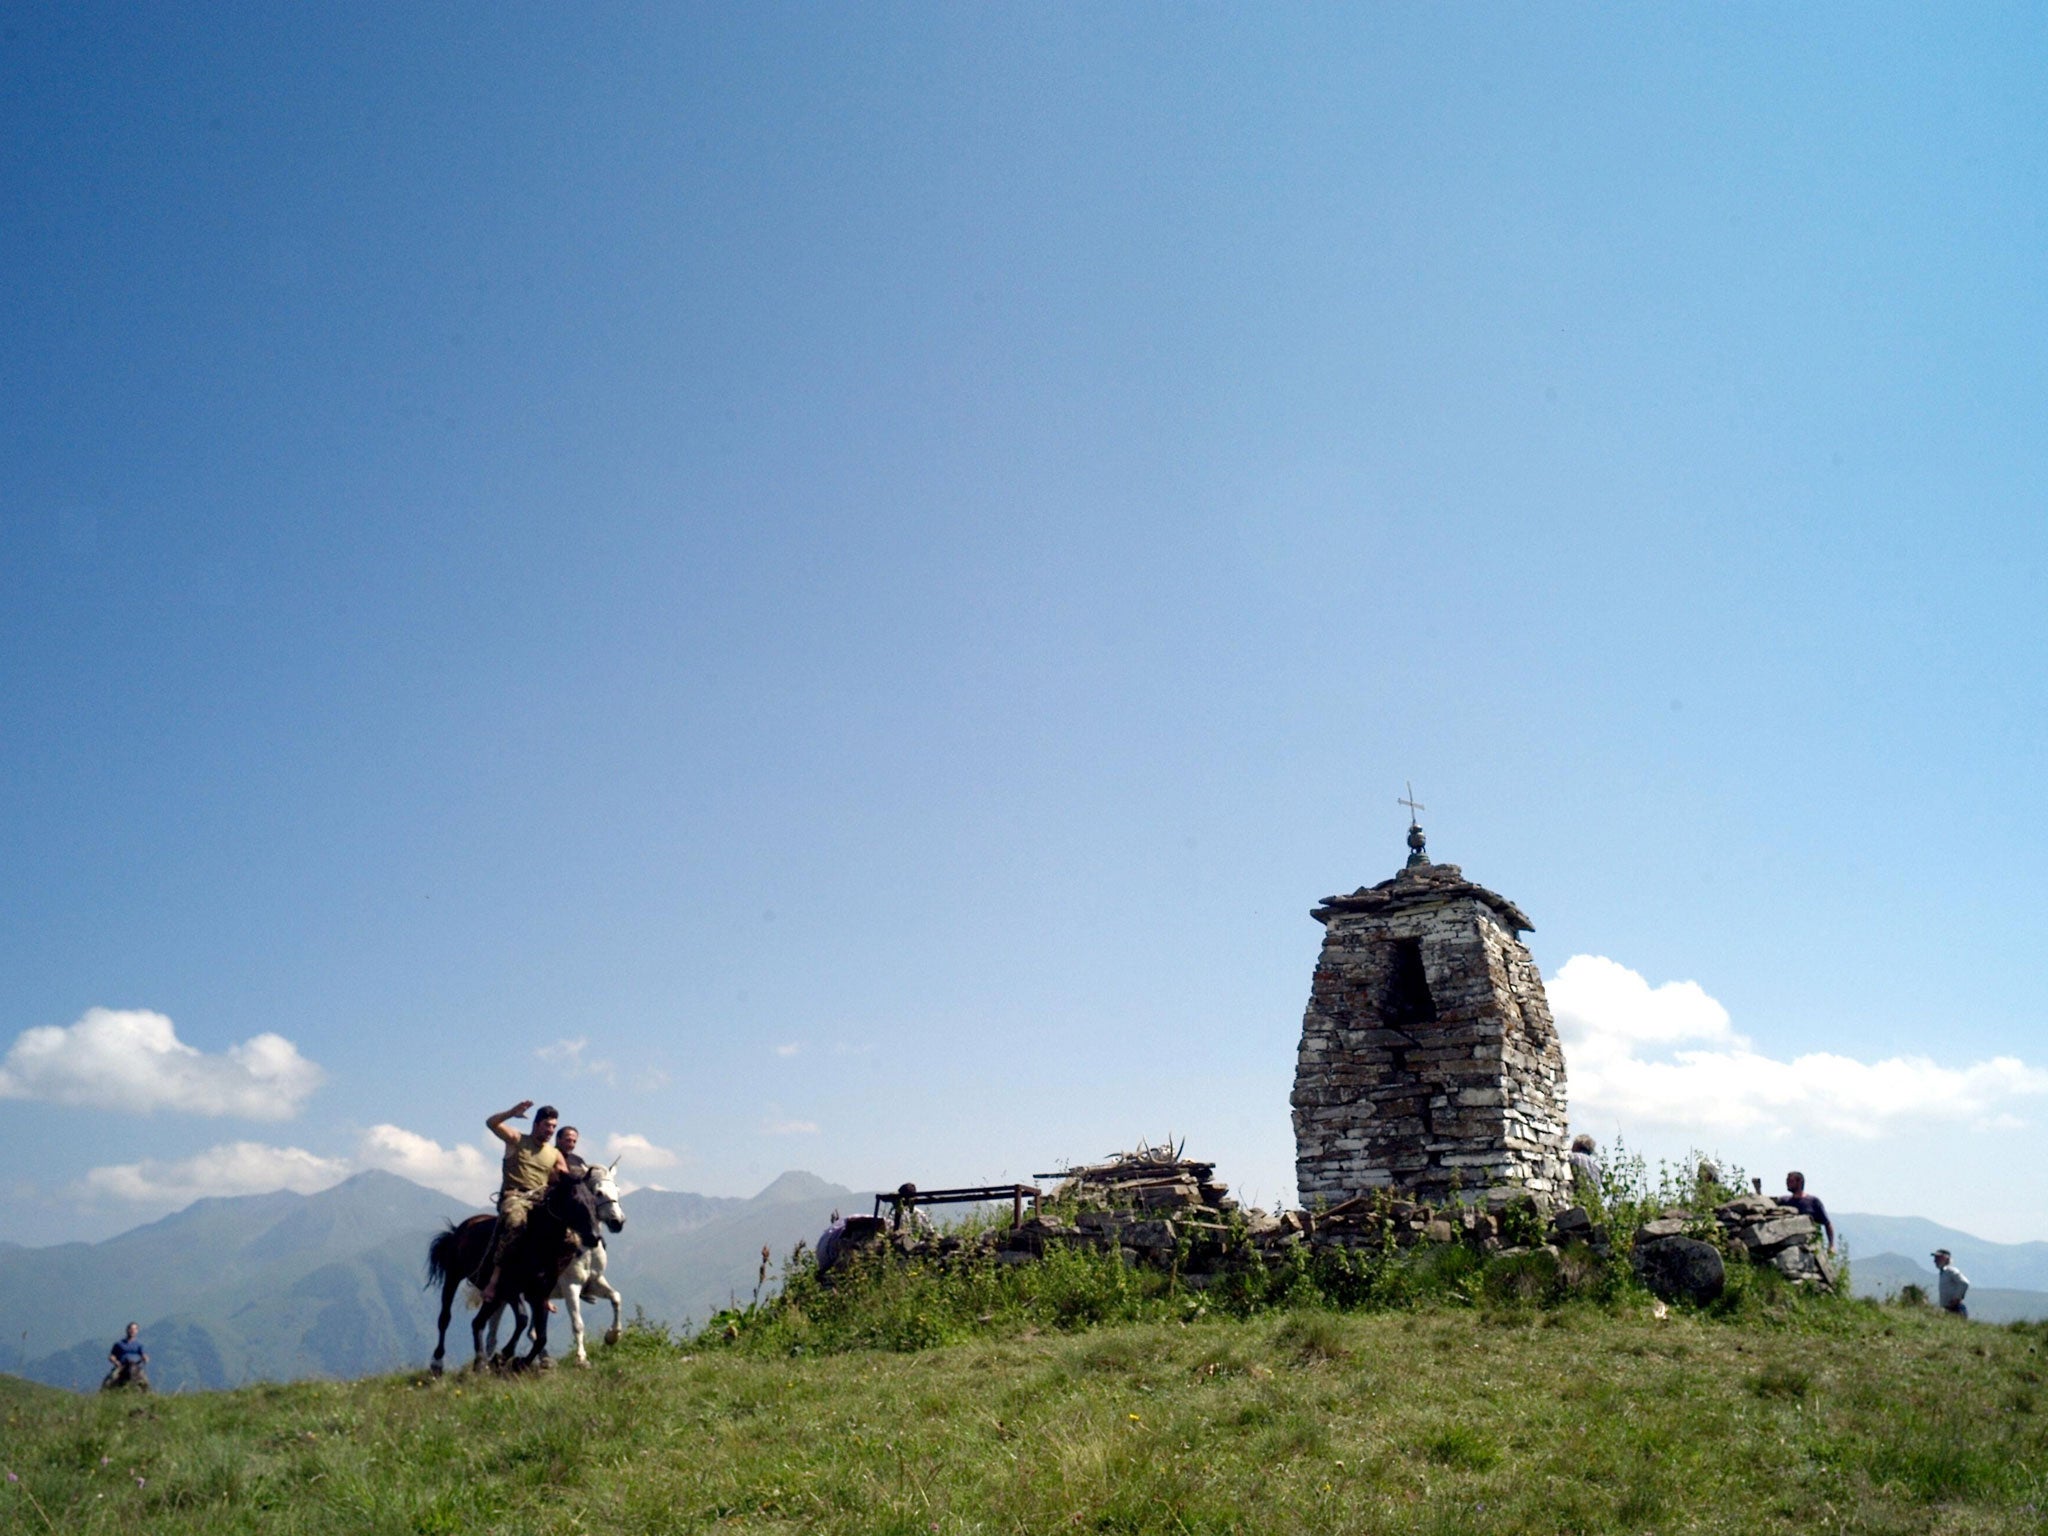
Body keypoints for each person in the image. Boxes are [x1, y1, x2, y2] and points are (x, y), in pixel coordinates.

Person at [474, 1099, 566, 1305]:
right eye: (547, 1125)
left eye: (554, 1127)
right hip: (515, 1197)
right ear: (536, 1125)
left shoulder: (555, 1153)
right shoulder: (517, 1139)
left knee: (570, 1238)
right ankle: (494, 1280)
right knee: (516, 1223)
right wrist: (510, 1112)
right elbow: (491, 1123)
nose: (550, 1130)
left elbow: (567, 1177)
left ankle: (548, 1286)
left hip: (540, 1201)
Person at [1775, 1170, 1836, 1252]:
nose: (1787, 1183)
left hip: (1809, 1244)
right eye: (1787, 1181)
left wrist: (1831, 1245)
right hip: (1787, 1245)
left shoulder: (1813, 1202)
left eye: (1790, 1181)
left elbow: (1827, 1223)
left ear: (1799, 1182)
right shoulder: (1783, 1201)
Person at [102, 1322, 148, 1392]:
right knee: (112, 1377)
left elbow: (143, 1354)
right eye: (131, 1329)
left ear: (137, 1331)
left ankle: (146, 1392)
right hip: (122, 1366)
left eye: (135, 1329)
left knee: (145, 1380)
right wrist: (115, 1361)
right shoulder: (119, 1344)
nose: (132, 1331)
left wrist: (145, 1358)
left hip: (135, 1366)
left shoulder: (139, 1345)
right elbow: (112, 1355)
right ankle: (104, 1391)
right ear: (127, 1330)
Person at [1933, 1248, 1970, 1318]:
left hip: (1956, 1309)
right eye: (1935, 1258)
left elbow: (1964, 1283)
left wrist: (1956, 1298)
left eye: (1938, 1258)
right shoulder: (1943, 1272)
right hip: (1948, 1309)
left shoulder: (1951, 1271)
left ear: (1946, 1259)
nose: (1935, 1260)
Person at [1568, 1134, 1602, 1201]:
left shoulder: (1575, 1157)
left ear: (1577, 1145)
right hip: (1593, 1200)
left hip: (1578, 1196)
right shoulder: (1596, 1167)